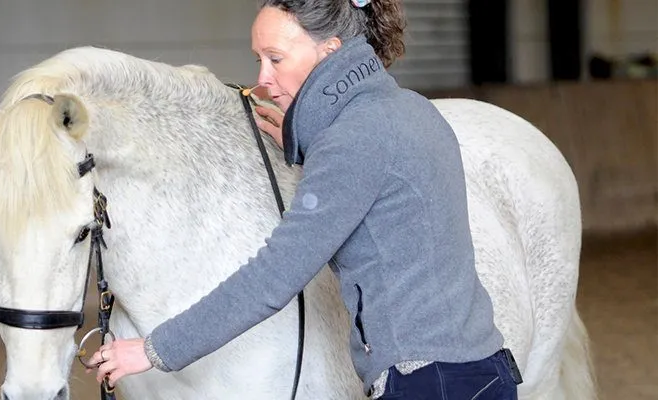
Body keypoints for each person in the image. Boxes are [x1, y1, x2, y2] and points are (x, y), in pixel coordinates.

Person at [87, 1, 523, 398]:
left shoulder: (353, 140)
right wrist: (310, 142)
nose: (262, 79)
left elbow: (274, 276)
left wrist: (154, 350)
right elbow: (383, 204)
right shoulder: (410, 109)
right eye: (258, 60)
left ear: (330, 49)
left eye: (275, 58)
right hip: (482, 370)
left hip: (425, 383)